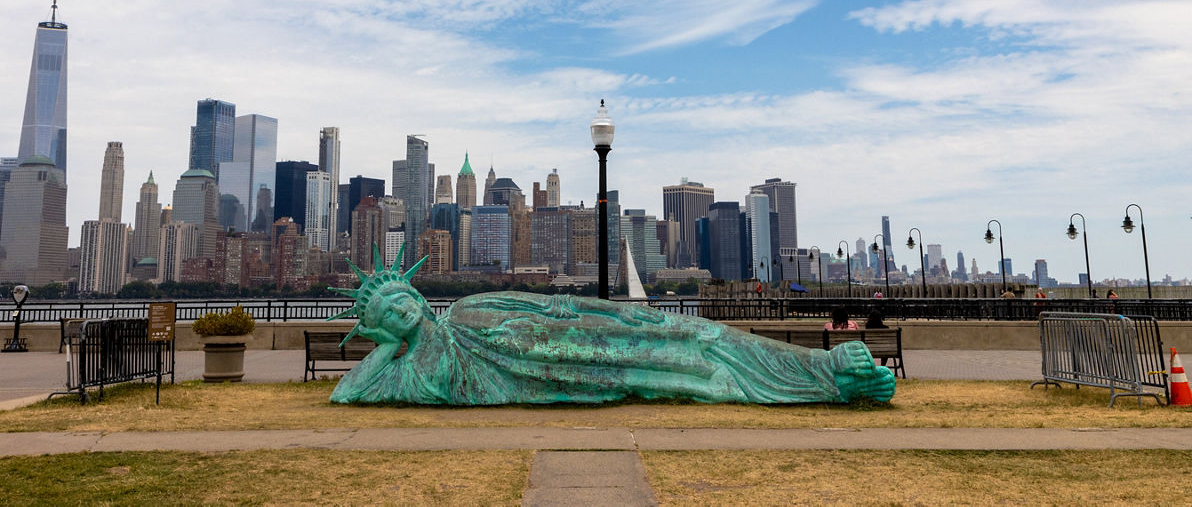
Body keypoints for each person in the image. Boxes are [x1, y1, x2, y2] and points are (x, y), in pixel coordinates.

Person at [329, 246, 896, 406]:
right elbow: (345, 392)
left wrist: (603, 313)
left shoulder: (467, 312)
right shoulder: (404, 375)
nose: (403, 312)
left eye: (402, 300)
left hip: (593, 333)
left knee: (696, 336)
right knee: (693, 368)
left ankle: (823, 369)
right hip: (583, 372)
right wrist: (384, 342)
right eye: (388, 317)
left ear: (420, 297)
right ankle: (826, 379)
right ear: (384, 333)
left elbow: (550, 309)